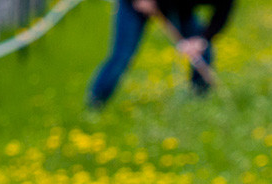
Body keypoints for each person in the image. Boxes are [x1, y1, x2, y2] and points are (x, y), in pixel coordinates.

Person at [88, 0, 234, 108]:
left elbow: (223, 12)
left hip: (177, 7)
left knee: (203, 49)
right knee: (122, 55)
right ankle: (95, 103)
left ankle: (200, 99)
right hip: (133, 6)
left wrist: (202, 39)